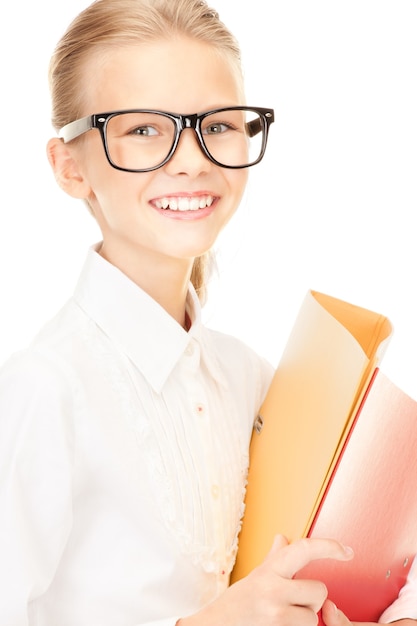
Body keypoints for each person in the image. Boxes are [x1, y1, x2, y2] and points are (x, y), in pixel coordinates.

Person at [0, 1, 415, 625]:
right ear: (69, 166)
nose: (192, 159)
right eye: (143, 130)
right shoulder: (43, 391)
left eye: (218, 125)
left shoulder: (248, 376)